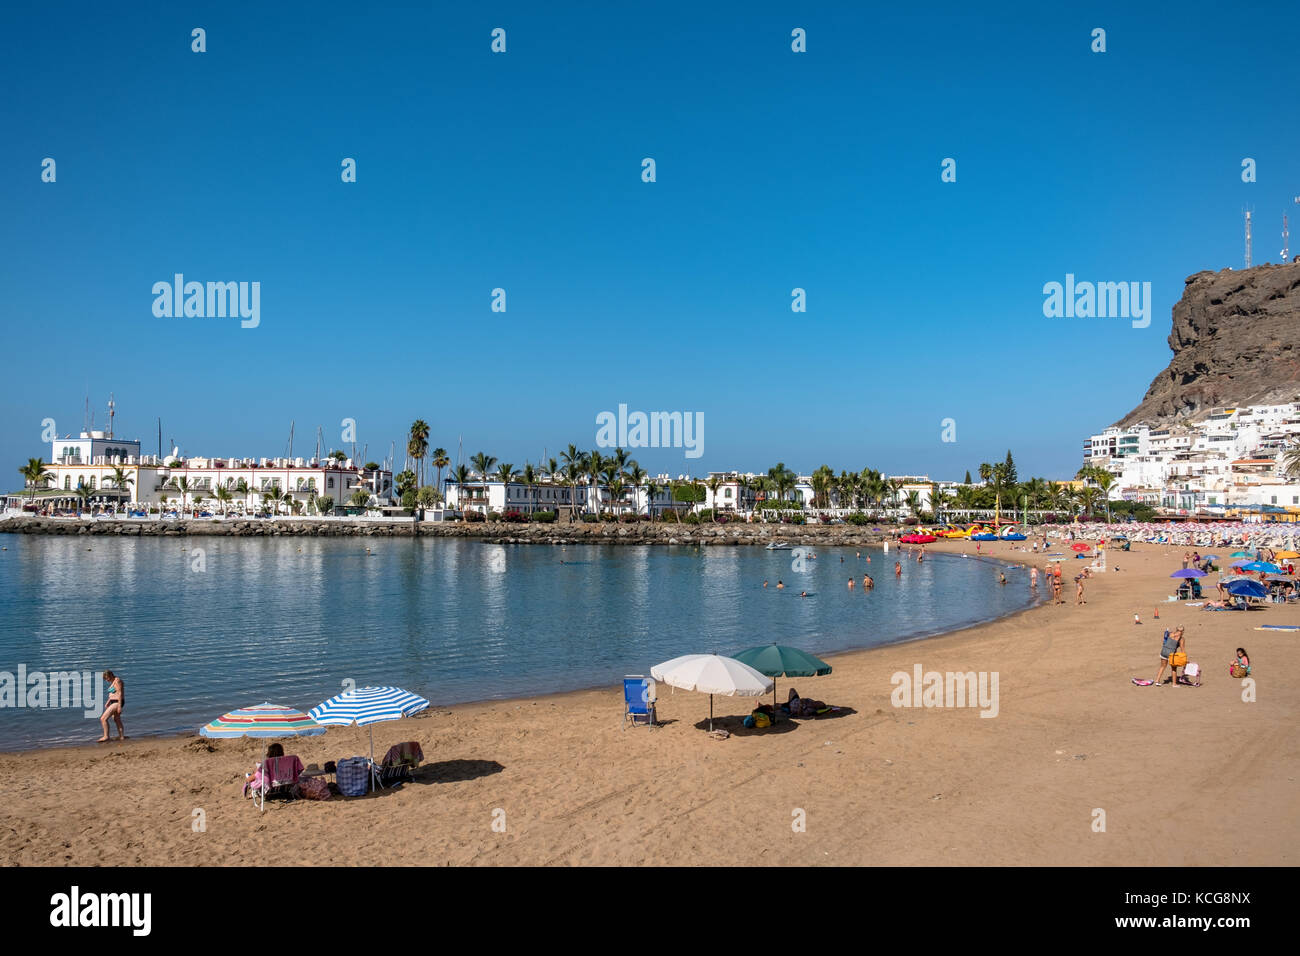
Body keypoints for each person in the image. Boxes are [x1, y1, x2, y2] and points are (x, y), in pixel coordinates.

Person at [98, 670, 125, 742]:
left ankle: (106, 736)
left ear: (111, 675)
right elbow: (113, 693)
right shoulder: (112, 682)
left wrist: (119, 706)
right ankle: (121, 736)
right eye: (105, 679)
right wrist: (108, 702)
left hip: (117, 702)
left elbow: (119, 693)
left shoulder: (117, 681)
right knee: (117, 719)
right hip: (113, 701)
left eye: (107, 678)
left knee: (103, 719)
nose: (107, 680)